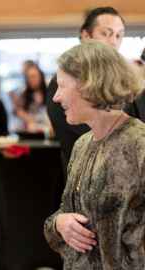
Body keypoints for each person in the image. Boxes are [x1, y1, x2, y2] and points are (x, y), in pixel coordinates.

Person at [44, 40, 144, 269]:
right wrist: (59, 223)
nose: (56, 97)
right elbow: (66, 209)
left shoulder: (139, 145)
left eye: (62, 86)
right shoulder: (82, 144)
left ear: (89, 85)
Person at [46, 6, 125, 171]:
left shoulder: (123, 82)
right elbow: (80, 137)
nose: (113, 41)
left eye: (119, 35)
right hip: (85, 174)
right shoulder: (64, 80)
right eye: (106, 33)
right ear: (86, 36)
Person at [13, 63, 51, 133]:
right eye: (28, 77)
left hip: (46, 130)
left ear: (41, 77)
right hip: (29, 131)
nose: (31, 80)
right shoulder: (23, 94)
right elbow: (18, 112)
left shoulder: (49, 92)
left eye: (34, 76)